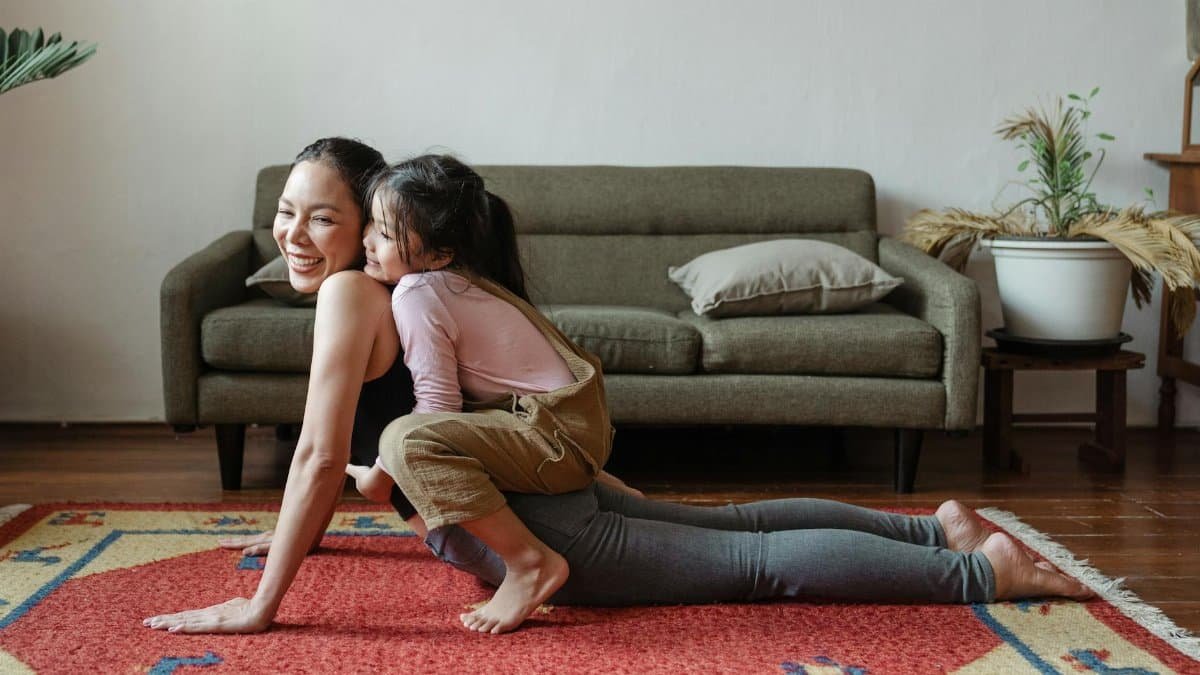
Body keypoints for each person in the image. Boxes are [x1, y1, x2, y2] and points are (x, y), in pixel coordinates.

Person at [143, 139, 1092, 637]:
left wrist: (263, 601)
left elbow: (324, 451)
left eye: (323, 217)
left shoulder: (360, 292)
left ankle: (977, 570)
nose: (296, 237)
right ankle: (939, 529)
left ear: (375, 226)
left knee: (753, 567)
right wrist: (301, 524)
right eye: (283, 214)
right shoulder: (419, 288)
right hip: (537, 481)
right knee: (742, 528)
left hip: (535, 524)